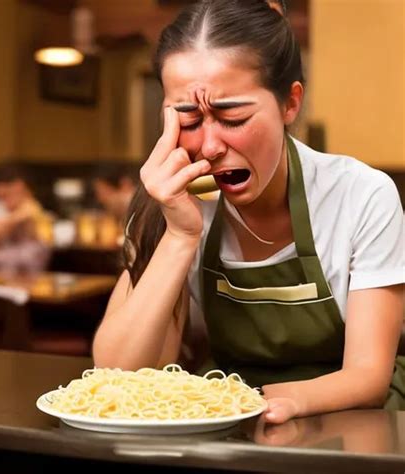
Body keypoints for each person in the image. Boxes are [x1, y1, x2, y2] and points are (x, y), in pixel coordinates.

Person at [92, 0, 404, 424]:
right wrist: (179, 236)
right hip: (227, 421)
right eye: (187, 117)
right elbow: (121, 376)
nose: (209, 146)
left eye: (232, 117)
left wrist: (259, 402)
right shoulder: (170, 201)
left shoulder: (360, 195)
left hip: (350, 421)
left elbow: (367, 377)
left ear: (290, 104)